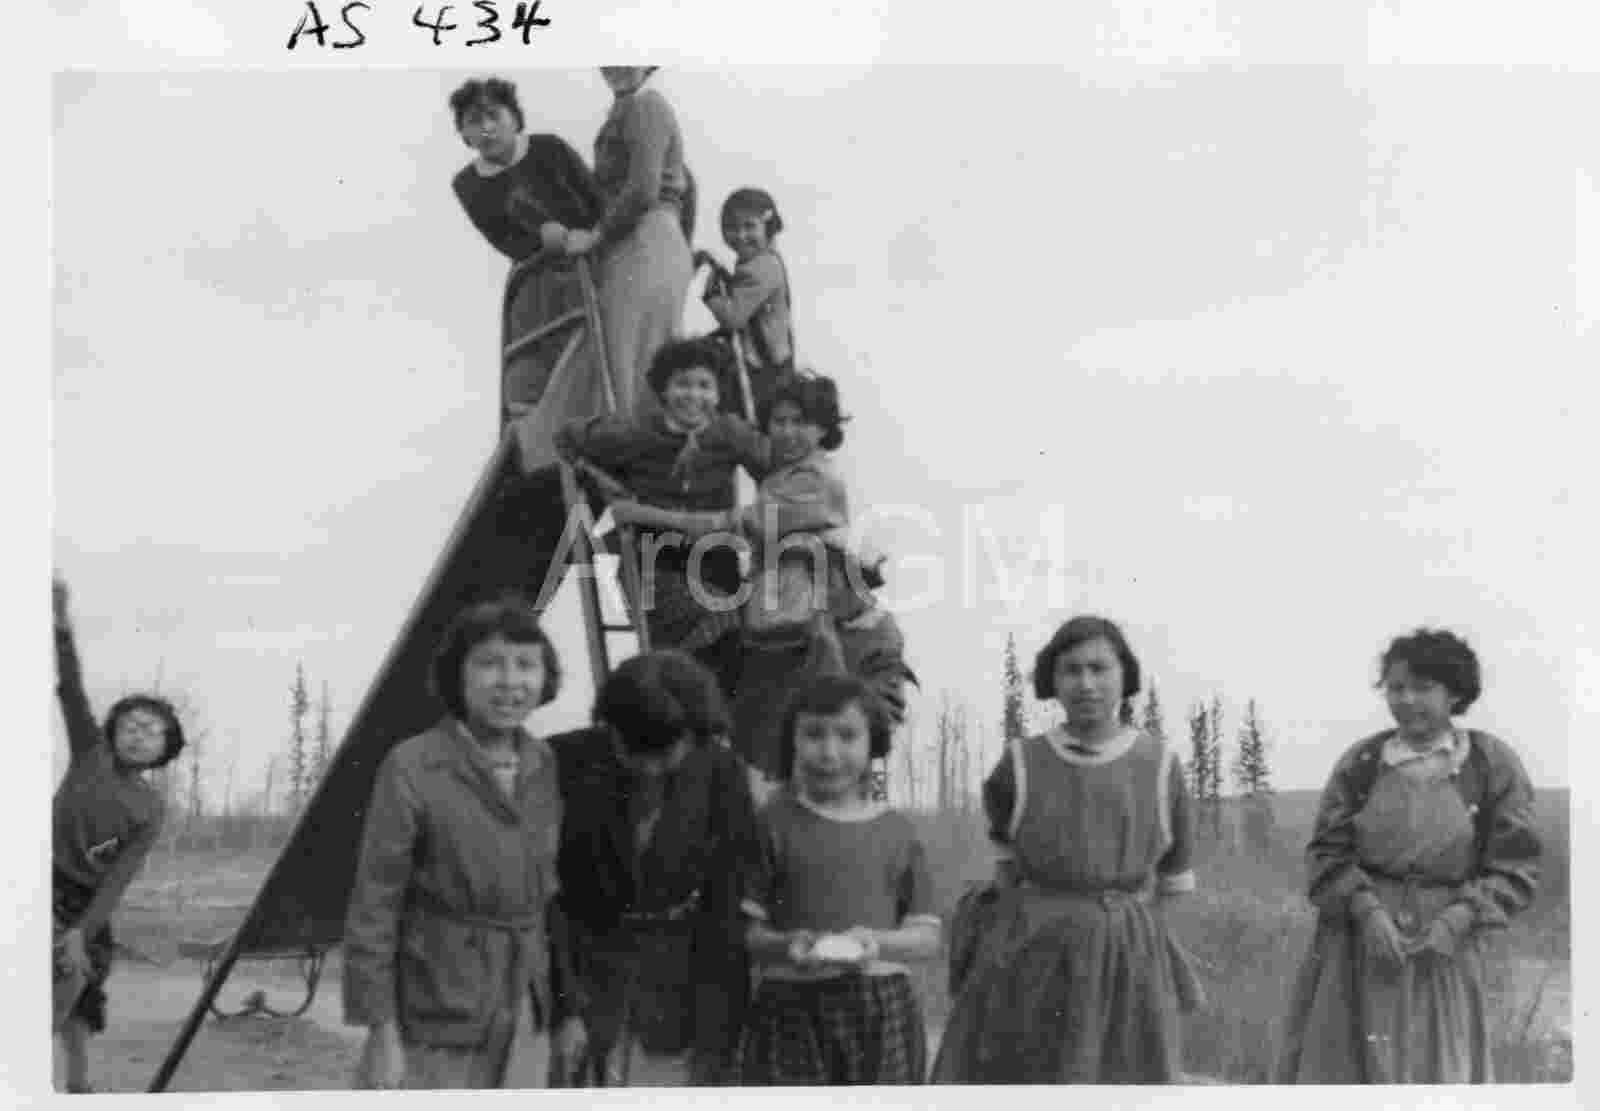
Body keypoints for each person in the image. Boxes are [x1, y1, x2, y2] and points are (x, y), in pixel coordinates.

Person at [932, 615, 1201, 1084]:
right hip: (1031, 955)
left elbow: (1173, 885)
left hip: (1125, 960)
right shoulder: (1022, 763)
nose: (1086, 683)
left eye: (1099, 668)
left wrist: (1137, 946)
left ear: (1125, 675)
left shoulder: (1160, 766)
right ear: (1051, 680)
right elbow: (1006, 869)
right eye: (1071, 670)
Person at [1276, 628, 1541, 1084]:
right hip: (1357, 950)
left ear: (1454, 693)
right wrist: (1366, 912)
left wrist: (1457, 920)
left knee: (1438, 1072)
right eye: (1396, 688)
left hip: (1445, 951)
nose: (1406, 700)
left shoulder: (1489, 764)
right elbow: (1326, 854)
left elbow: (1516, 865)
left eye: (1423, 688)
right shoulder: (1362, 763)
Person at [342, 595, 584, 1089]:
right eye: (490, 664)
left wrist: (566, 1011)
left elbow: (548, 901)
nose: (510, 681)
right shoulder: (413, 765)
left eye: (526, 665)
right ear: (458, 675)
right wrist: (380, 1031)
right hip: (437, 1009)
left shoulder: (543, 765)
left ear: (545, 678)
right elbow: (374, 907)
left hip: (524, 1007)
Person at [548, 650, 763, 1086]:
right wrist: (564, 1008)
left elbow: (726, 906)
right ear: (609, 726)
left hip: (681, 967)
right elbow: (547, 898)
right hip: (587, 961)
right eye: (633, 751)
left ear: (696, 734)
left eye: (664, 754)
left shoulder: (723, 771)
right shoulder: (560, 761)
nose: (648, 768)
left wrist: (721, 1029)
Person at [739, 675, 940, 1085]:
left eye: (847, 736)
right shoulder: (771, 824)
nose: (829, 752)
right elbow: (748, 934)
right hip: (790, 1007)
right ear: (793, 742)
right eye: (814, 734)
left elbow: (927, 938)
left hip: (881, 1008)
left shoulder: (898, 832)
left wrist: (877, 943)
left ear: (873, 743)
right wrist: (789, 945)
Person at [554, 336, 771, 696]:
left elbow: (774, 469)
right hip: (654, 557)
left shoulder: (729, 433)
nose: (693, 395)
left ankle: (710, 707)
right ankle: (678, 696)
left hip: (712, 555)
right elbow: (566, 439)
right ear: (663, 391)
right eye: (682, 384)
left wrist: (757, 514)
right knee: (705, 623)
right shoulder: (635, 432)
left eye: (704, 386)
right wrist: (602, 484)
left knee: (747, 629)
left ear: (718, 394)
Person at [51, 576, 184, 1094]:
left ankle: (78, 1088)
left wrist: (83, 931)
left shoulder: (150, 808)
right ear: (112, 731)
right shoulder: (90, 752)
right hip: (41, 882)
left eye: (151, 730)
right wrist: (61, 625)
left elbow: (117, 879)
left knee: (81, 988)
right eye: (130, 724)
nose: (138, 733)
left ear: (166, 748)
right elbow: (71, 689)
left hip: (88, 902)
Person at [447, 77, 606, 422]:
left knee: (596, 351)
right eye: (474, 121)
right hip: (537, 276)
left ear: (515, 118)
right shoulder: (468, 184)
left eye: (494, 115)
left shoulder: (550, 148)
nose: (486, 128)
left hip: (591, 261)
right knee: (536, 358)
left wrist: (586, 236)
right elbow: (504, 239)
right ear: (464, 135)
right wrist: (544, 238)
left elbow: (597, 200)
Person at [563, 67, 693, 416]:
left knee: (631, 367)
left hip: (645, 238)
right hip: (637, 240)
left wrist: (596, 236)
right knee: (623, 364)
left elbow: (644, 189)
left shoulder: (646, 105)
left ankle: (633, 445)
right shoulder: (626, 110)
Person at [696, 187, 794, 416]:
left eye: (749, 226)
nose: (740, 235)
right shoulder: (760, 261)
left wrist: (712, 296)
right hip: (766, 362)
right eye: (732, 227)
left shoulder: (763, 266)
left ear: (768, 228)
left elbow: (734, 317)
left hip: (763, 366)